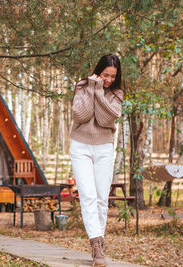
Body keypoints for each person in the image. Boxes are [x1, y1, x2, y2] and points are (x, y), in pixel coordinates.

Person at [70, 54, 124, 267]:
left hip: (104, 148)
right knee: (88, 196)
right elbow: (80, 115)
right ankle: (96, 246)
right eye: (105, 75)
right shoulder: (82, 85)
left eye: (113, 76)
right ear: (98, 71)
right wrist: (91, 89)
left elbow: (106, 119)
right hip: (80, 147)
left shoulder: (117, 93)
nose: (109, 79)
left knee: (102, 198)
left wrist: (99, 92)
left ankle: (99, 242)